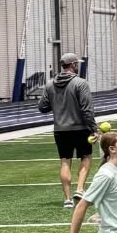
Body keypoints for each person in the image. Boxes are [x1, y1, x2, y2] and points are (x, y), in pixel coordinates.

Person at [39, 52, 97, 210]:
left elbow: (42, 107)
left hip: (60, 129)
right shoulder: (81, 83)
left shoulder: (50, 84)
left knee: (65, 161)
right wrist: (94, 129)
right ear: (73, 65)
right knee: (86, 158)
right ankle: (80, 189)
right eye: (76, 63)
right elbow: (87, 109)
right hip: (81, 128)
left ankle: (67, 199)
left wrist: (57, 104)